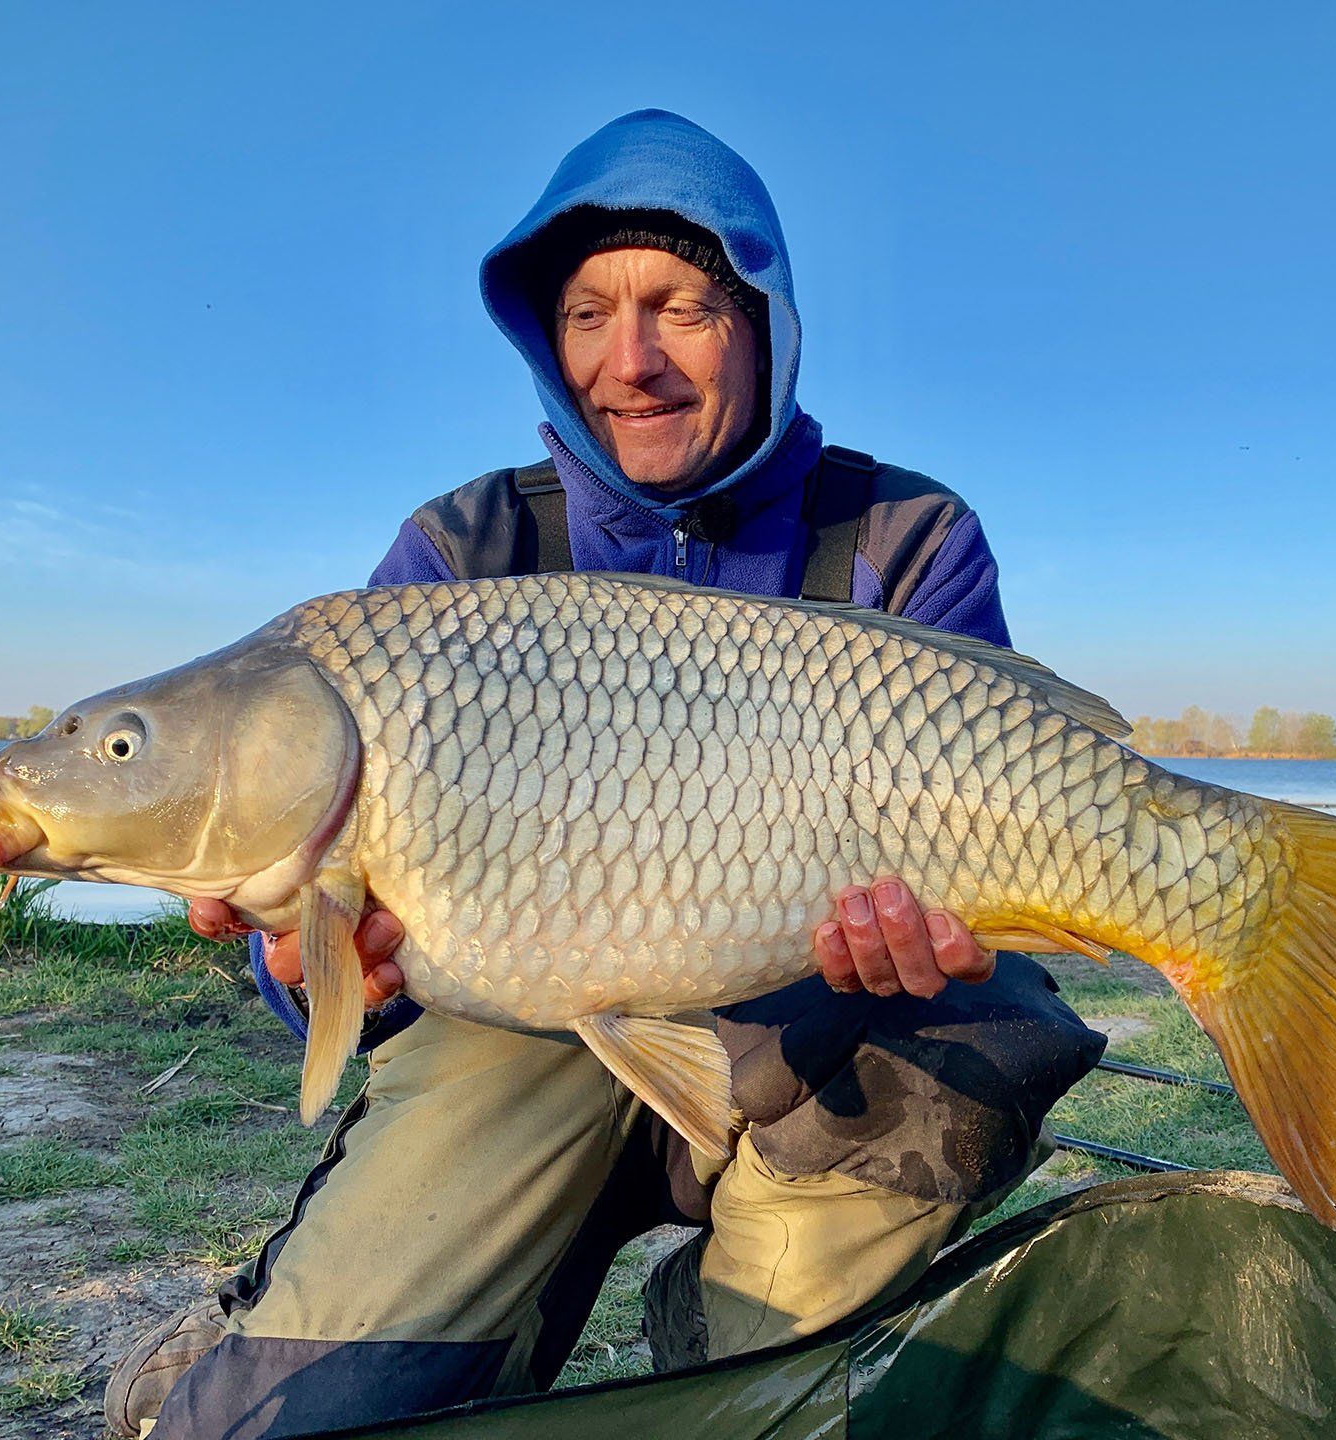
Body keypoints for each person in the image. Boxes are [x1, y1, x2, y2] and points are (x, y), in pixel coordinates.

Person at [110, 109, 1104, 1440]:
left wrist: (945, 939)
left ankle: (731, 1344)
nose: (626, 364)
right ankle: (337, 1334)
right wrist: (307, 965)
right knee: (296, 1418)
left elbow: (1001, 816)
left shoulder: (906, 536)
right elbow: (330, 939)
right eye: (587, 313)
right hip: (524, 1047)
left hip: (825, 1039)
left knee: (979, 1039)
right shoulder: (461, 548)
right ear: (545, 334)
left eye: (681, 307)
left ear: (765, 320)